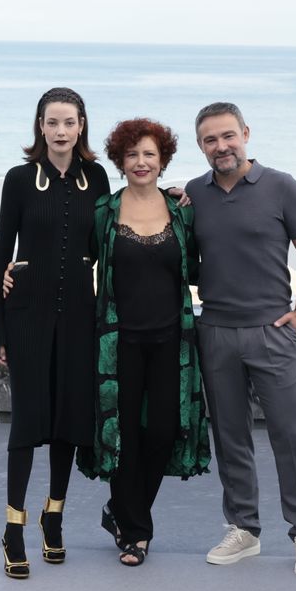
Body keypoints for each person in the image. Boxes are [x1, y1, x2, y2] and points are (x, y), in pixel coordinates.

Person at [186, 102, 296, 577]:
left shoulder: (282, 186)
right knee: (230, 437)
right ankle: (243, 528)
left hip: (272, 331)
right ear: (200, 145)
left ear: (245, 133)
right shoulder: (192, 194)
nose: (221, 146)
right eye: (210, 140)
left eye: (228, 136)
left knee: (291, 436)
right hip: (216, 332)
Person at [0, 87, 110, 579]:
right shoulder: (18, 180)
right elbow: (0, 254)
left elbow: (110, 239)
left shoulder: (96, 178)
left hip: (81, 317)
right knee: (27, 423)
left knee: (69, 423)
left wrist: (167, 197)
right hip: (27, 317)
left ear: (82, 126)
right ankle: (13, 526)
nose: (61, 131)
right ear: (40, 125)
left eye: (70, 122)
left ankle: (52, 515)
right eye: (52, 122)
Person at [76, 118, 210, 566]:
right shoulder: (103, 212)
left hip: (173, 340)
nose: (141, 162)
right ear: (120, 161)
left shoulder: (182, 210)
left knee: (165, 430)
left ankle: (121, 511)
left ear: (162, 160)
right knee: (124, 434)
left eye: (149, 154)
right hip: (118, 344)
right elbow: (75, 263)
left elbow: (197, 268)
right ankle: (137, 532)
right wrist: (14, 274)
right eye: (132, 154)